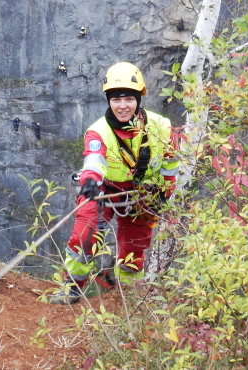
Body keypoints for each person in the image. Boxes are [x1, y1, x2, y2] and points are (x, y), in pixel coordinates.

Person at [49, 62, 180, 305]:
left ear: (138, 100)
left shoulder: (161, 127)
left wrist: (164, 193)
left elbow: (170, 164)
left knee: (134, 247)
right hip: (103, 192)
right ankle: (71, 289)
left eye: (129, 99)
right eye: (116, 100)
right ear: (108, 101)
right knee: (85, 237)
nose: (122, 106)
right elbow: (94, 159)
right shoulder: (99, 131)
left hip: (143, 194)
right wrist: (90, 181)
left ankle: (127, 298)